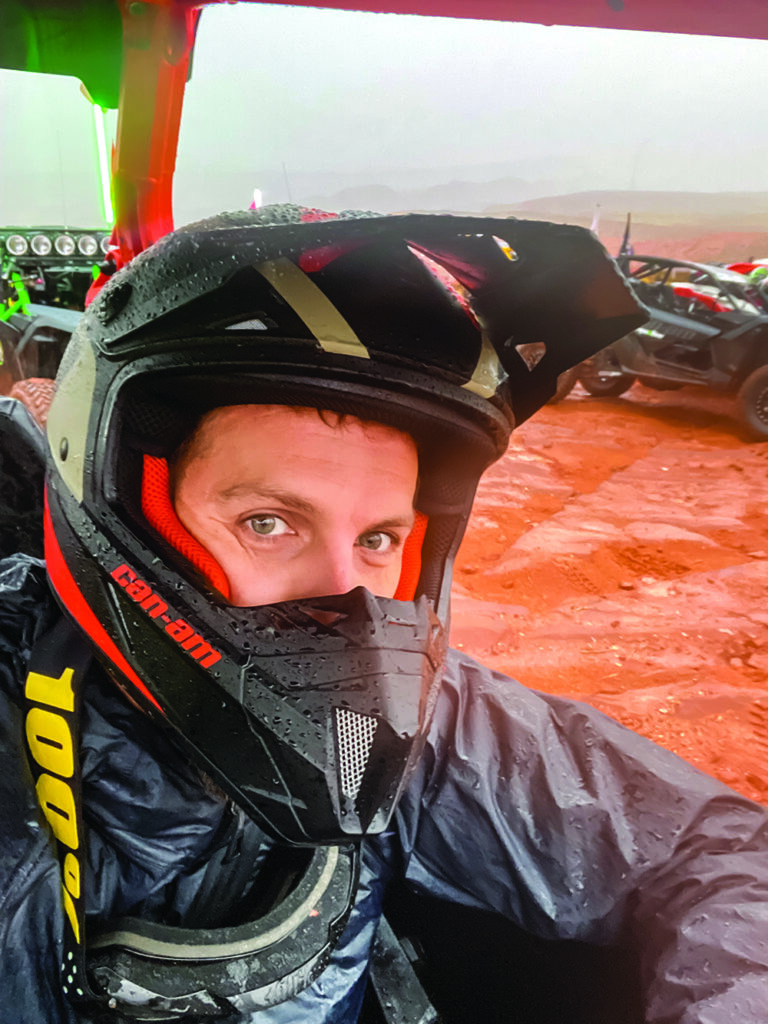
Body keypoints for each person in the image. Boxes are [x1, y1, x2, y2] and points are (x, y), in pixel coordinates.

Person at [1, 205, 767, 1024]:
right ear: (128, 509)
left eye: (377, 538)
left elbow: (718, 853)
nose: (344, 597)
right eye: (269, 522)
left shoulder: (410, 721)